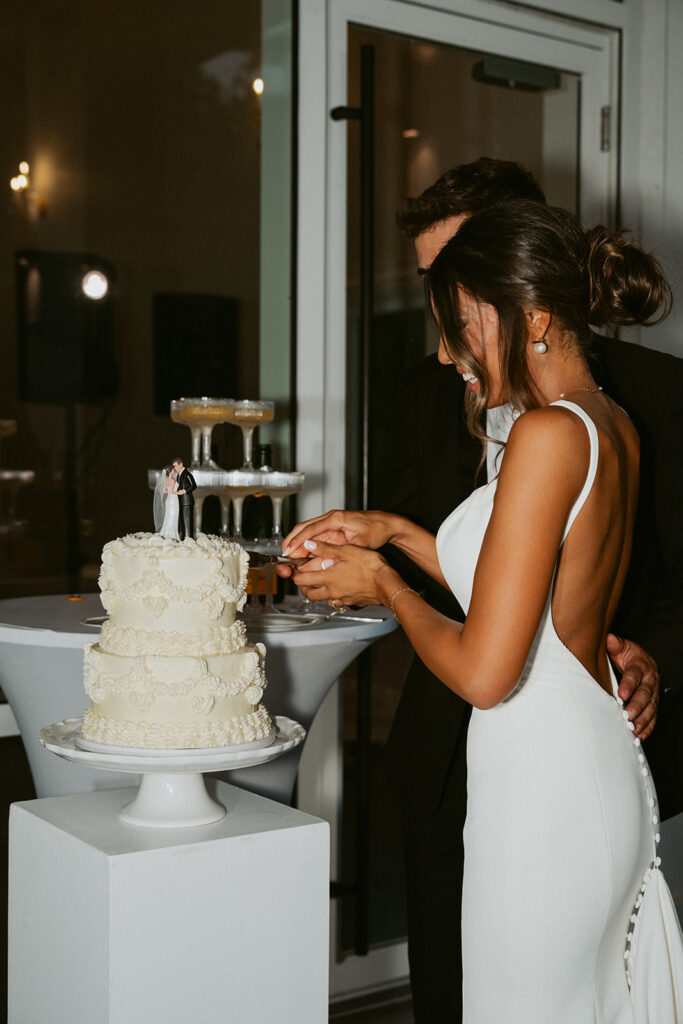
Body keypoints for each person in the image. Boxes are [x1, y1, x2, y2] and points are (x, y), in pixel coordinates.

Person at [280, 200, 683, 1020]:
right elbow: (525, 593)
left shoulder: (544, 438)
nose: (444, 352)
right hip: (584, 770)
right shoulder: (603, 424)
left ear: (530, 316)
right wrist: (395, 534)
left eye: (460, 325)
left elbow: (486, 671)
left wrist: (384, 585)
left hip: (541, 794)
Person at [171, 457, 197, 540]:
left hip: (187, 501)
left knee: (188, 520)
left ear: (181, 464)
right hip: (181, 501)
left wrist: (185, 491)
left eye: (175, 466)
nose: (175, 468)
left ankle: (189, 538)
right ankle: (184, 537)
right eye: (174, 467)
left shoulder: (187, 474)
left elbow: (193, 485)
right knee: (183, 520)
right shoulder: (179, 475)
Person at [153, 464, 180, 540]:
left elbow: (164, 491)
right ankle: (173, 535)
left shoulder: (166, 480)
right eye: (173, 470)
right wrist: (180, 492)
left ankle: (165, 533)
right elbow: (172, 491)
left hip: (168, 500)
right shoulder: (172, 480)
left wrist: (169, 491)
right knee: (173, 516)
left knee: (168, 516)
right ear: (171, 471)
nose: (174, 471)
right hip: (174, 500)